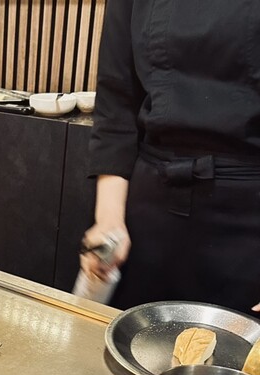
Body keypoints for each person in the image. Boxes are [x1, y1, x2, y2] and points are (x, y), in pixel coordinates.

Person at [80, 0, 260, 316]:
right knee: (128, 339)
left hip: (249, 225)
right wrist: (109, 220)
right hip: (148, 214)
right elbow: (117, 103)